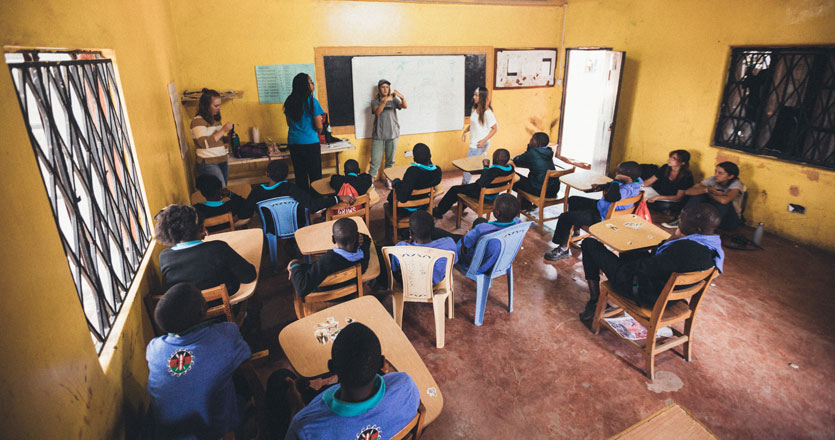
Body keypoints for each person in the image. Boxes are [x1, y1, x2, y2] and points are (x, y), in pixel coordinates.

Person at [578, 203, 725, 321]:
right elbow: (659, 261)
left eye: (682, 220)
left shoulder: (683, 248)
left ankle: (595, 300)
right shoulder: (713, 247)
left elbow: (644, 268)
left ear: (697, 229)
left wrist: (620, 267)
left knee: (589, 244)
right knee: (632, 250)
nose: (678, 222)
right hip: (670, 295)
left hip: (646, 294)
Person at [146, 283, 252, 439]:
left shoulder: (154, 348)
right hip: (218, 434)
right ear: (203, 310)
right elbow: (245, 356)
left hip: (168, 434)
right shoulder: (225, 334)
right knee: (237, 388)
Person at [285, 322, 420, 440]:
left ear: (332, 368)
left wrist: (296, 406)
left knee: (280, 377)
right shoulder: (406, 387)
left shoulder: (305, 426)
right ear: (382, 363)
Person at [544, 161, 644, 262]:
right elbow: (616, 188)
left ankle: (563, 249)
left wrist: (615, 181)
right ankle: (576, 229)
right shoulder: (636, 182)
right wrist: (604, 185)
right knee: (573, 200)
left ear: (627, 177)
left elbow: (611, 197)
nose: (616, 173)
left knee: (565, 217)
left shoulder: (627, 189)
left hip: (602, 216)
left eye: (619, 172)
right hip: (603, 207)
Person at [156, 204, 256, 295]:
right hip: (226, 308)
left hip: (189, 313)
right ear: (201, 228)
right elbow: (249, 276)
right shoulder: (218, 248)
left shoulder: (164, 257)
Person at [243, 160, 354, 224]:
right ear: (286, 175)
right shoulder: (290, 188)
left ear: (267, 174)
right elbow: (313, 205)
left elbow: (245, 213)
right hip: (295, 226)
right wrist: (338, 198)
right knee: (312, 213)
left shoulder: (256, 192)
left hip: (271, 229)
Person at [287, 218, 371, 297]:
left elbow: (301, 289)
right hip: (350, 292)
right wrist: (361, 237)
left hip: (328, 295)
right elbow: (367, 239)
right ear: (357, 237)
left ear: (333, 239)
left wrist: (294, 263)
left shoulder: (328, 260)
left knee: (300, 272)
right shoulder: (364, 255)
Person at [432, 148, 514, 219]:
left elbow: (481, 183)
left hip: (484, 195)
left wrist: (486, 167)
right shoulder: (510, 169)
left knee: (455, 189)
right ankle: (461, 207)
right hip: (494, 195)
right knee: (466, 188)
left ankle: (439, 211)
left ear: (496, 158)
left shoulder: (493, 171)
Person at [665, 161, 745, 230]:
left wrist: (708, 192)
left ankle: (710, 229)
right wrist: (706, 190)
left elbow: (724, 201)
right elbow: (688, 191)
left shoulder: (736, 184)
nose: (716, 175)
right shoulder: (713, 179)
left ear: (730, 176)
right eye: (716, 171)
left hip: (729, 220)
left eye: (720, 173)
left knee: (724, 203)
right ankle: (682, 219)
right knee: (699, 194)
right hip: (711, 216)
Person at [386, 143, 443, 238]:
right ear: (430, 156)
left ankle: (402, 229)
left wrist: (396, 182)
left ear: (414, 159)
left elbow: (403, 198)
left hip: (406, 209)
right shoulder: (437, 171)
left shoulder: (412, 172)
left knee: (392, 196)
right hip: (423, 206)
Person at [457, 193, 521, 274]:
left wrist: (467, 234)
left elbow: (465, 242)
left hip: (476, 263)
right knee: (480, 220)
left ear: (497, 212)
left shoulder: (482, 229)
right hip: (497, 261)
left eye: (493, 206)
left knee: (451, 240)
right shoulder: (518, 224)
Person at [390, 210, 458, 285]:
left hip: (411, 286)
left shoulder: (400, 248)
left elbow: (395, 270)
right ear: (434, 229)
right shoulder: (449, 243)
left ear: (411, 233)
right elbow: (453, 263)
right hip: (438, 284)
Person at [284, 73, 325, 192]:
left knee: (300, 175)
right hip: (310, 143)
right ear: (304, 86)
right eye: (311, 82)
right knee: (315, 176)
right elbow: (319, 125)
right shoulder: (312, 102)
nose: (313, 85)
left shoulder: (289, 102)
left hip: (294, 142)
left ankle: (304, 205)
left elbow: (288, 123)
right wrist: (319, 131)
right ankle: (317, 206)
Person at [369, 79, 407, 188]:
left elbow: (404, 106)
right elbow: (378, 112)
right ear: (379, 89)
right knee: (375, 160)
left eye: (387, 87)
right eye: (383, 87)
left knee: (390, 160)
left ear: (389, 88)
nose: (385, 89)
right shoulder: (375, 102)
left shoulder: (394, 100)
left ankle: (388, 179)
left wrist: (402, 97)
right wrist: (385, 101)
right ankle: (371, 181)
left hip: (393, 134)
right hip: (379, 135)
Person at [191, 88, 233, 186]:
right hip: (208, 162)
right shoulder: (197, 121)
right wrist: (223, 130)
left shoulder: (215, 120)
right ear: (206, 106)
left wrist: (229, 137)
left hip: (222, 160)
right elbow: (204, 143)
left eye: (219, 105)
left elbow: (218, 140)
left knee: (223, 189)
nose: (219, 108)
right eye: (216, 106)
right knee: (220, 190)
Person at [512, 132, 560, 210]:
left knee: (514, 178)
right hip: (553, 190)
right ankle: (526, 204)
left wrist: (529, 148)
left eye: (531, 140)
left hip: (540, 191)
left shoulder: (533, 153)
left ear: (537, 142)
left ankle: (525, 205)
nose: (529, 142)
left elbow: (517, 161)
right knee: (527, 179)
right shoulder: (548, 152)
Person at [460, 87, 498, 184]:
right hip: (476, 143)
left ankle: (463, 187)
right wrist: (465, 131)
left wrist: (483, 141)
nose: (474, 97)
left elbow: (495, 129)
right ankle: (484, 183)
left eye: (476, 95)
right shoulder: (474, 108)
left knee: (468, 166)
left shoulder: (487, 112)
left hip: (479, 144)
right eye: (474, 95)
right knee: (483, 165)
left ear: (482, 97)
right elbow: (473, 123)